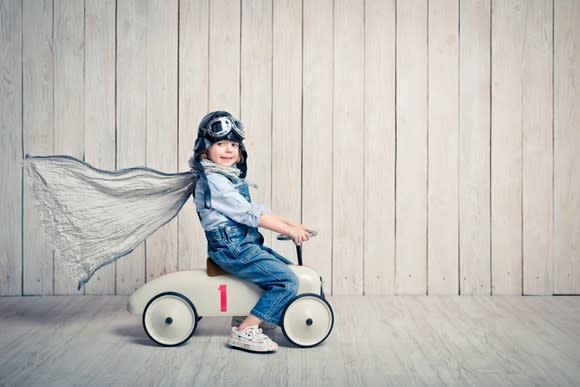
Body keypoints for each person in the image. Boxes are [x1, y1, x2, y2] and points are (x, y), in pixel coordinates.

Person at [190, 111, 312, 353]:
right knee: (286, 281)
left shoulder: (226, 177)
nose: (228, 150)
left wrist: (292, 226)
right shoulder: (215, 181)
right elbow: (250, 216)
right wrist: (289, 229)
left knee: (285, 270)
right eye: (220, 144)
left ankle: (254, 312)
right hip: (232, 248)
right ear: (205, 149)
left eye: (233, 144)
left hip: (243, 244)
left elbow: (254, 210)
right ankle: (245, 330)